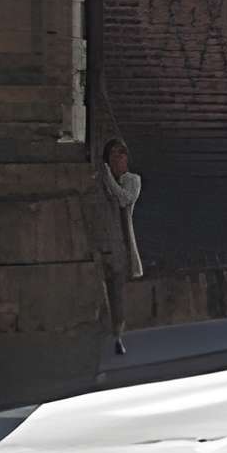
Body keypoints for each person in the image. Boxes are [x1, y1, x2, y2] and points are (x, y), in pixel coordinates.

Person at [90, 137, 144, 356]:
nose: (118, 159)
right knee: (102, 291)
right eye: (113, 155)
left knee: (117, 291)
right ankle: (104, 332)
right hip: (102, 241)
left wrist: (107, 176)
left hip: (121, 244)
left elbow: (124, 199)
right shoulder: (100, 181)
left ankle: (117, 335)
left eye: (121, 155)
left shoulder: (132, 180)